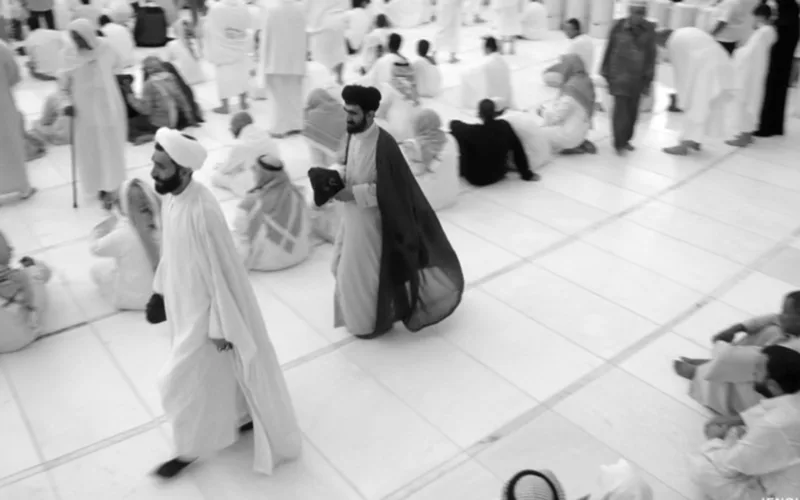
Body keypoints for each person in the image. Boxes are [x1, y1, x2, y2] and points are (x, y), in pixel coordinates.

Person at [148, 127, 302, 479]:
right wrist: (159, 290)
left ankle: (186, 450)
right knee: (217, 374)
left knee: (178, 381)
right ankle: (244, 415)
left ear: (185, 171)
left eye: (161, 166)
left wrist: (220, 327)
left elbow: (221, 277)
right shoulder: (173, 199)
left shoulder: (203, 210)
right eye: (153, 164)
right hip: (182, 305)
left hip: (206, 317)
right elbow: (170, 250)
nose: (154, 173)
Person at [326, 85, 463, 338]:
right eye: (346, 111)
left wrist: (352, 194)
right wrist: (336, 178)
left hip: (372, 226)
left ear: (369, 114)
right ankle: (359, 319)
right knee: (340, 268)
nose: (348, 118)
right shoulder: (354, 136)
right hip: (352, 218)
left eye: (353, 113)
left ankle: (366, 325)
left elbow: (390, 191)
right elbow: (353, 171)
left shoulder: (384, 144)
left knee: (360, 278)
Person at [689, 343, 800, 499]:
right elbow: (771, 408)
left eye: (758, 370)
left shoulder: (775, 424)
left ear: (773, 386)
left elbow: (729, 465)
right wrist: (736, 420)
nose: (753, 372)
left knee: (702, 468)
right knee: (738, 432)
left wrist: (714, 439)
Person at [674, 291, 800, 417]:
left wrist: (720, 344)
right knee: (771, 330)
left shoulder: (793, 348)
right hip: (769, 365)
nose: (780, 315)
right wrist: (738, 327)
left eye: (785, 312)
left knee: (744, 372)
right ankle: (712, 365)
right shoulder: (793, 326)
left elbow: (736, 359)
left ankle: (699, 374)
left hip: (779, 398)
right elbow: (774, 318)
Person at [61, 19, 127, 202]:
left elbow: (119, 64)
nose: (77, 41)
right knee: (91, 150)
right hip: (84, 113)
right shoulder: (68, 54)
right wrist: (66, 103)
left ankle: (112, 187)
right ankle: (98, 185)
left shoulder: (106, 48)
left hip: (109, 107)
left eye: (79, 37)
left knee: (111, 147)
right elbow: (62, 86)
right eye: (73, 37)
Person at [658, 28, 736, 156]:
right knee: (705, 106)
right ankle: (695, 140)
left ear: (662, 40)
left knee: (694, 105)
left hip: (706, 71)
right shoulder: (685, 31)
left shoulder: (674, 42)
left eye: (661, 45)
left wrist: (682, 95)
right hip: (721, 64)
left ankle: (683, 146)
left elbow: (681, 71)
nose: (663, 48)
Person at [90, 178, 161, 311]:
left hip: (133, 299)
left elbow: (95, 248)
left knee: (97, 270)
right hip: (165, 295)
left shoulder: (122, 233)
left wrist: (102, 227)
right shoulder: (162, 224)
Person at [231, 154, 310, 272]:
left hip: (266, 262)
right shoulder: (297, 192)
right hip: (301, 253)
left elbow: (241, 230)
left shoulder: (251, 202)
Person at [600, 0, 656, 156]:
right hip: (619, 76)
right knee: (621, 111)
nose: (637, 16)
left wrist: (649, 80)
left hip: (638, 77)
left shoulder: (649, 30)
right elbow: (609, 48)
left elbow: (651, 55)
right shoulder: (618, 27)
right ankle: (619, 143)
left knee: (632, 112)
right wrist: (605, 71)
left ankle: (626, 140)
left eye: (640, 13)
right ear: (629, 11)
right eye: (635, 12)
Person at [450, 98, 536, 186]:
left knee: (457, 136)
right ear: (495, 113)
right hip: (499, 173)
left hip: (476, 178)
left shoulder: (474, 131)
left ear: (480, 114)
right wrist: (526, 173)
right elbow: (518, 149)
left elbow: (453, 124)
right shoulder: (504, 126)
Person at [726, 3, 777, 147]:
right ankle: (747, 134)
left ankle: (744, 136)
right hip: (757, 71)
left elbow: (749, 54)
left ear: (759, 16)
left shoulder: (762, 33)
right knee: (752, 100)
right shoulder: (769, 31)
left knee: (746, 102)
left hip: (750, 73)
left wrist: (737, 52)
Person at [258, 0, 307, 137]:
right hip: (296, 61)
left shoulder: (271, 10)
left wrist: (263, 65)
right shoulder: (300, 10)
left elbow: (266, 38)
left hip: (276, 61)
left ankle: (278, 128)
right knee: (295, 96)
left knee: (277, 98)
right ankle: (296, 125)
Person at [0, 231, 52, 354]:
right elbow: (46, 274)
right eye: (7, 246)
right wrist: (32, 266)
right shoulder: (22, 276)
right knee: (36, 275)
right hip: (27, 335)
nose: (12, 248)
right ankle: (33, 265)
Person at [124, 56, 197, 143]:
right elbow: (181, 98)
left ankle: (152, 136)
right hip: (180, 119)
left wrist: (131, 97)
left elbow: (146, 110)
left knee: (128, 124)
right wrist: (189, 116)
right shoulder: (171, 77)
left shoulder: (149, 84)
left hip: (162, 123)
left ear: (148, 70)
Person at [398, 109, 459, 211]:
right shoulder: (451, 139)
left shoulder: (415, 146)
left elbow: (417, 171)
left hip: (427, 202)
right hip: (451, 196)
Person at [755, 0, 800, 137]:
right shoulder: (792, 14)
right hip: (787, 43)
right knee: (780, 85)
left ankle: (766, 127)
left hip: (779, 49)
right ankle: (775, 125)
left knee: (772, 84)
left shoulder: (783, 21)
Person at [537, 54, 597, 155]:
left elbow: (556, 117)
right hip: (582, 133)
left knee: (535, 133)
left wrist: (542, 112)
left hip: (569, 136)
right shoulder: (586, 82)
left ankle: (566, 146)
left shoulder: (571, 90)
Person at [211, 111, 279, 198]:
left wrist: (222, 167)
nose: (230, 129)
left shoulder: (241, 145)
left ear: (237, 126)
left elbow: (225, 169)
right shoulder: (263, 133)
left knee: (216, 178)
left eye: (231, 126)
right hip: (278, 175)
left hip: (260, 183)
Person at [0, 39, 36, 200]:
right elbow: (13, 76)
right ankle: (23, 188)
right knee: (11, 144)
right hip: (3, 105)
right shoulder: (2, 48)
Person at [206, 0, 251, 114]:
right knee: (242, 74)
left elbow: (210, 29)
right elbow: (247, 24)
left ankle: (225, 106)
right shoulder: (243, 6)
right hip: (239, 45)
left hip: (222, 47)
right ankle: (243, 102)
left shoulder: (216, 8)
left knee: (223, 77)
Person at [460, 36, 513, 112]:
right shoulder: (504, 62)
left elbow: (470, 74)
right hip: (505, 98)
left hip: (492, 101)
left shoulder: (487, 62)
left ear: (488, 48)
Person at [374, 60, 421, 141]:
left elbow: (379, 113)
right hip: (414, 135)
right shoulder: (414, 89)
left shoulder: (389, 87)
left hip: (395, 135)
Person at [306, 0, 349, 84]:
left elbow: (306, 9)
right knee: (338, 50)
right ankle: (338, 79)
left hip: (321, 24)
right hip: (337, 19)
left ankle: (332, 80)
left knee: (322, 58)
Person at [304, 88, 347, 167]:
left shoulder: (311, 119)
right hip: (352, 159)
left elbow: (317, 160)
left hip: (331, 165)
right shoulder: (344, 110)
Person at [164, 19, 205, 85]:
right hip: (193, 80)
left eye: (187, 30)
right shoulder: (174, 44)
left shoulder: (174, 44)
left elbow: (167, 61)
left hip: (189, 81)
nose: (186, 32)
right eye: (185, 30)